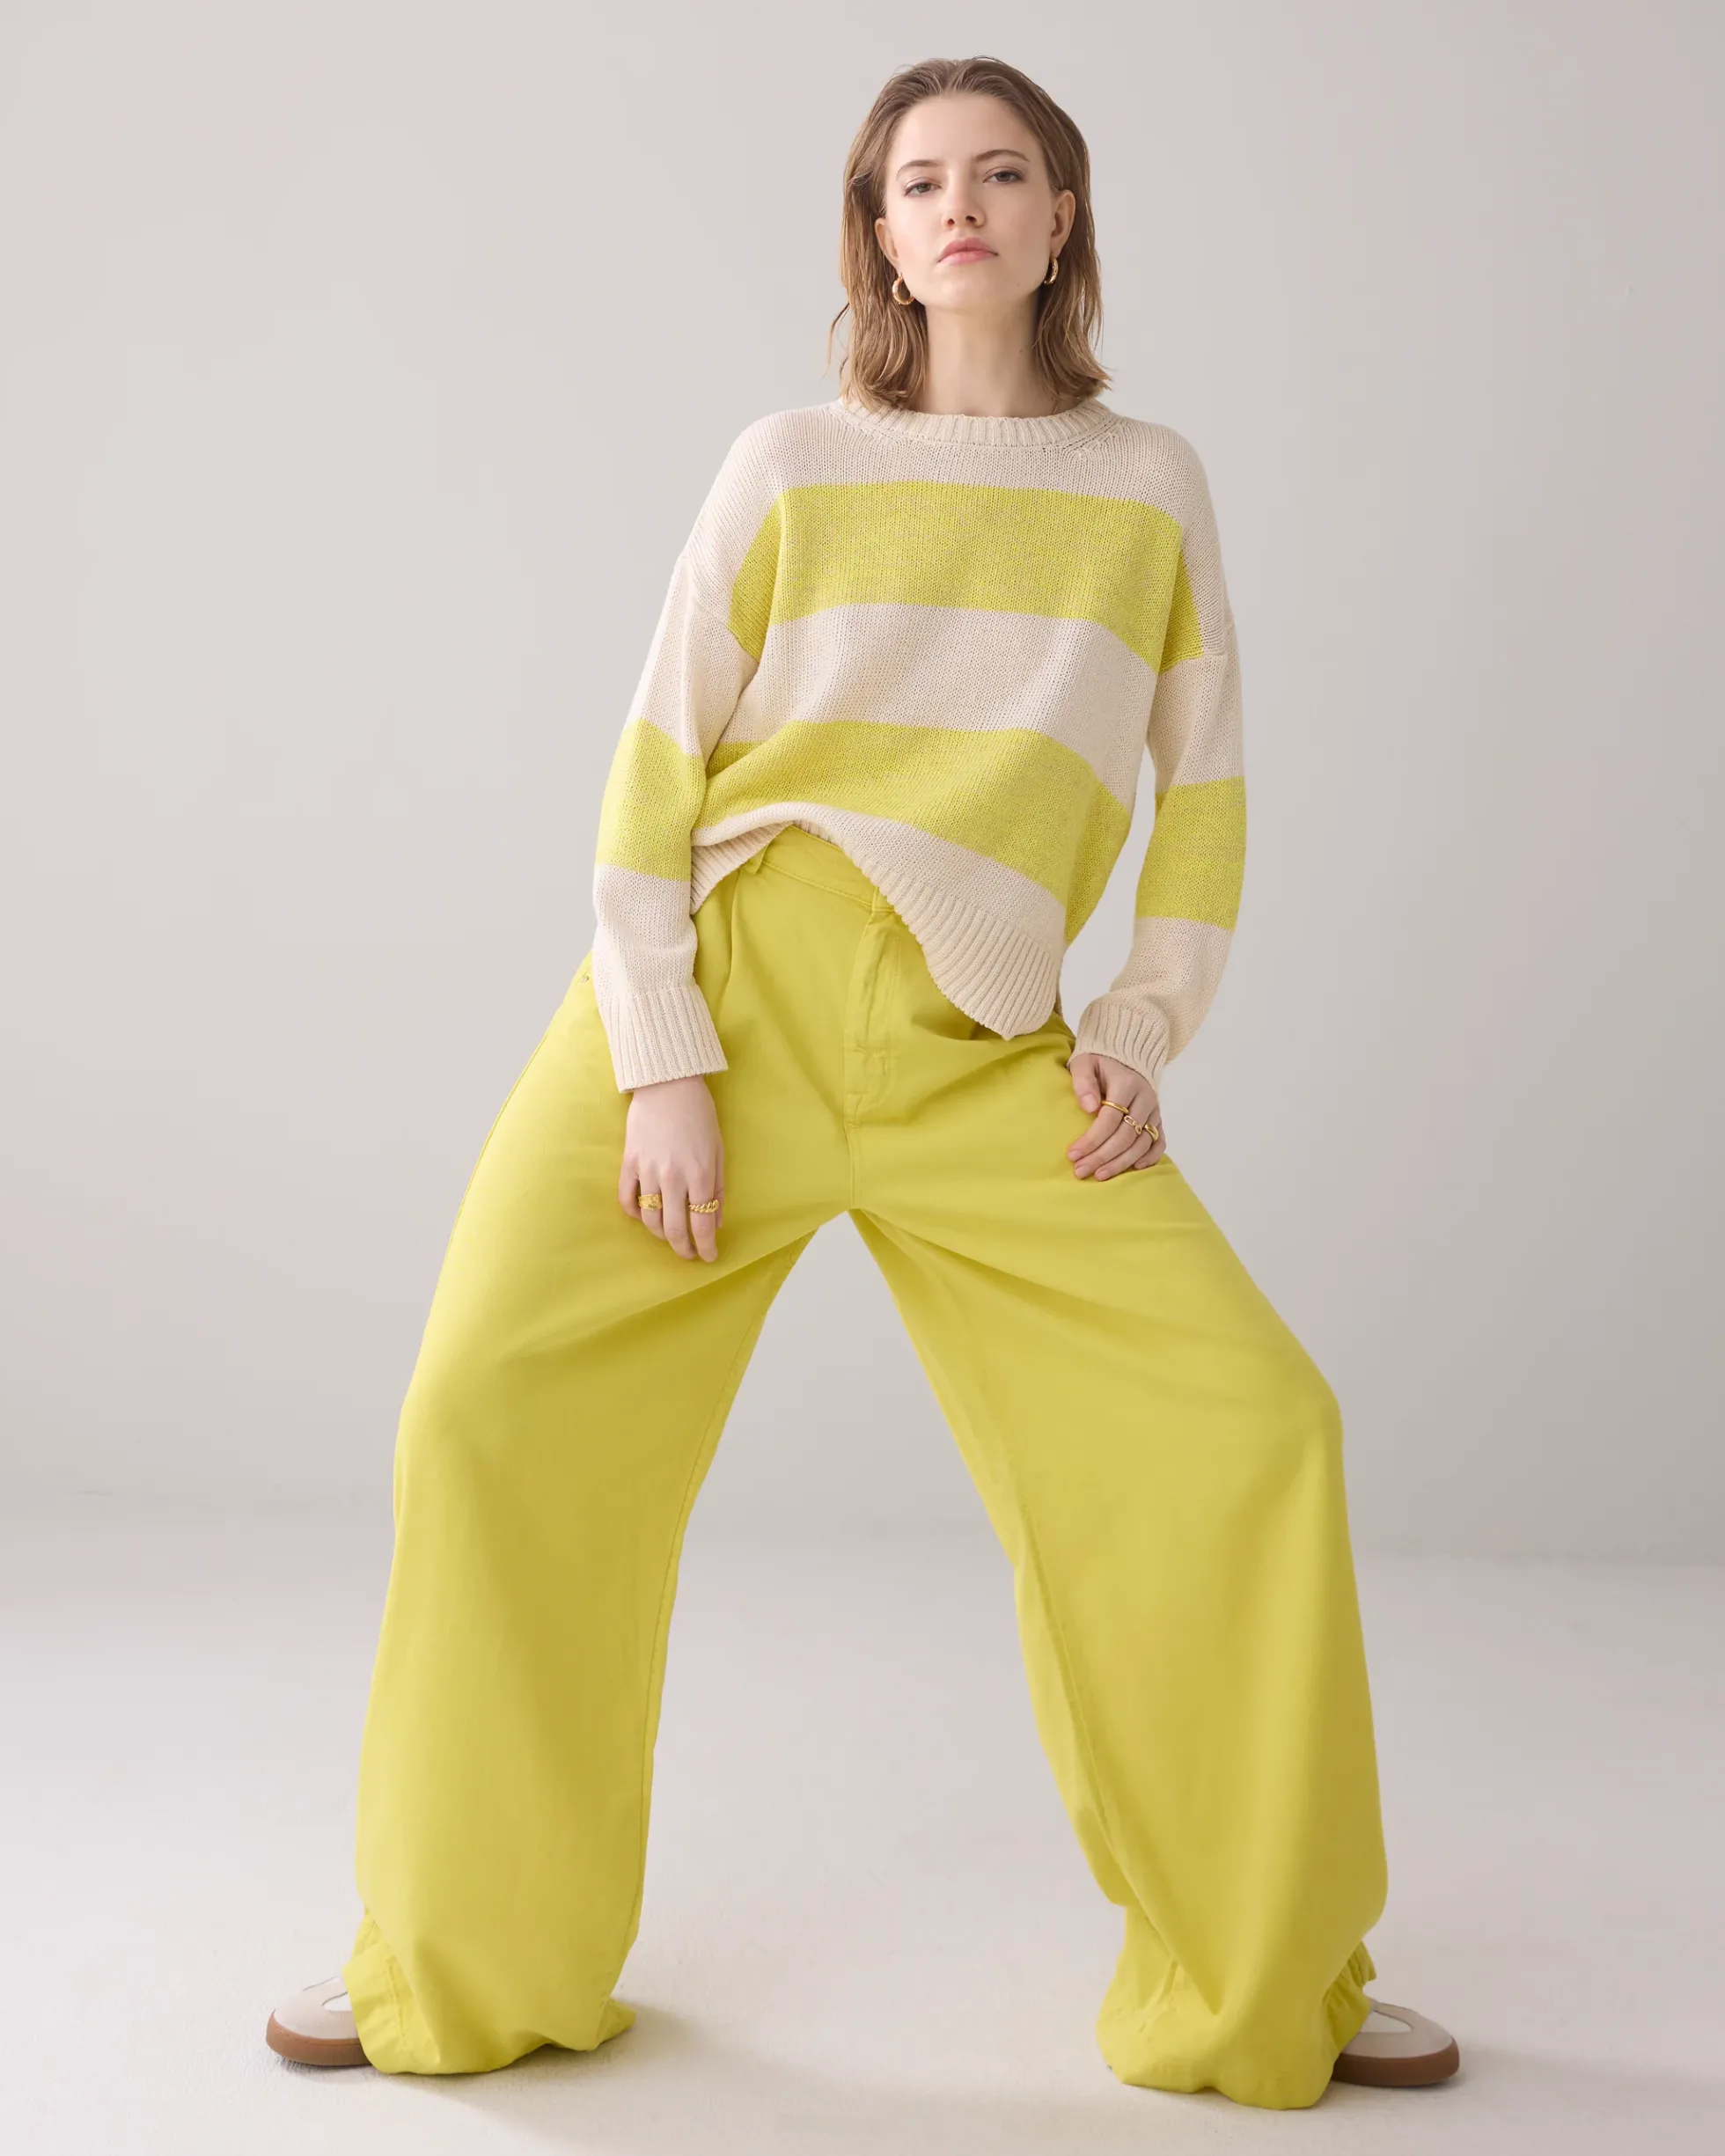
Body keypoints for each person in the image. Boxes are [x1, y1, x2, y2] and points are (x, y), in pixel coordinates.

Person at [266, 54, 1459, 2107]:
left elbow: (1202, 797)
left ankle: (1271, 1973)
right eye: (917, 180)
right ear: (877, 232)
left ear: (1060, 219)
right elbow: (652, 774)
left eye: (1001, 172)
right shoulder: (786, 462)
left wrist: (1137, 1029)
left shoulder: (1146, 484)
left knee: (1252, 1429)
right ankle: (457, 1959)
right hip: (718, 1001)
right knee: (483, 1411)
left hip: (984, 1052)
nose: (958, 204)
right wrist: (662, 1060)